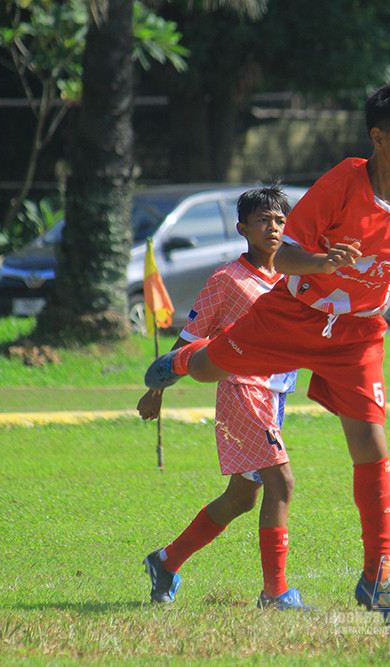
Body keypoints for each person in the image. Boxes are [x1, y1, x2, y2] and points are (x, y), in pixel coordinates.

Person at [142, 84, 390, 628]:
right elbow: (289, 254)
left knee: (372, 443)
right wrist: (324, 262)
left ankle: (378, 576)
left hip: (357, 334)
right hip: (292, 317)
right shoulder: (343, 182)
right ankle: (180, 362)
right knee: (208, 369)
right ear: (378, 139)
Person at [138, 185, 311, 611]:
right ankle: (275, 594)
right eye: (262, 221)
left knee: (241, 498)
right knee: (281, 482)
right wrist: (155, 390)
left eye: (279, 220)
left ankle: (166, 561)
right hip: (240, 391)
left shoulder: (292, 277)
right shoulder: (227, 280)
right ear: (242, 229)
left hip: (274, 394)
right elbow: (188, 341)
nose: (273, 228)